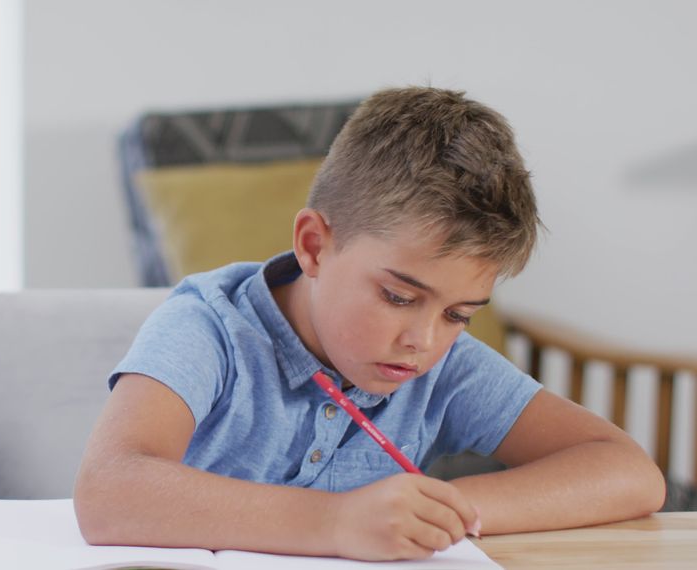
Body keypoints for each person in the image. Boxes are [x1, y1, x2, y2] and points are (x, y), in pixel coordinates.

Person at [73, 86, 665, 561]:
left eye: (458, 314)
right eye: (398, 296)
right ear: (314, 246)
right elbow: (109, 491)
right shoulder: (207, 328)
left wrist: (436, 509)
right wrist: (336, 522)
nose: (423, 342)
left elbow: (629, 473)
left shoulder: (440, 366)